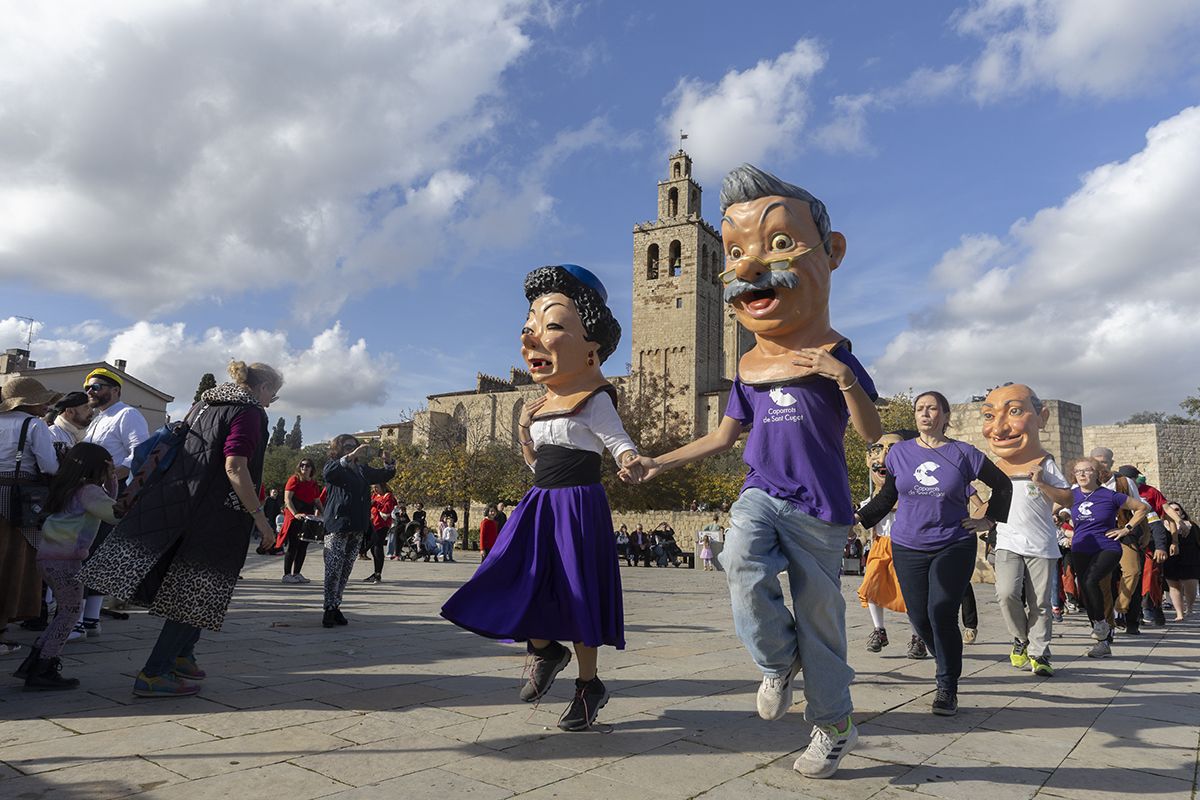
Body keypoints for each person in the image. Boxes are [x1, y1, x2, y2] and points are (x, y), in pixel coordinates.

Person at [624, 165, 882, 778]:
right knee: (739, 559)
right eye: (734, 251)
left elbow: (871, 435)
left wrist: (844, 379)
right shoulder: (746, 370)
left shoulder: (836, 360)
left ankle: (833, 724)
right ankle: (775, 661)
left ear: (830, 253)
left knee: (822, 628)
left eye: (778, 244)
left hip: (821, 509)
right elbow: (721, 436)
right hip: (761, 491)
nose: (745, 268)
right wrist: (657, 462)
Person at [442, 263, 643, 733]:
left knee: (578, 592)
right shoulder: (541, 404)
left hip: (577, 505)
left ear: (592, 348)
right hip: (540, 501)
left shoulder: (595, 399)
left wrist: (631, 459)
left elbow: (617, 441)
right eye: (529, 327)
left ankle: (588, 686)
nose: (532, 337)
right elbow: (536, 465)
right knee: (517, 574)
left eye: (551, 325)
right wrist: (523, 432)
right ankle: (545, 649)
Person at [81, 361, 281, 697]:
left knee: (195, 588)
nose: (273, 400)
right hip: (215, 515)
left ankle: (182, 655)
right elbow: (234, 465)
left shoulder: (204, 404)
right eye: (273, 393)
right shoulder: (249, 412)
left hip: (174, 503)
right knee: (196, 591)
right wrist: (261, 519)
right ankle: (155, 672)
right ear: (261, 388)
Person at [858, 391, 1012, 717]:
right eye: (919, 409)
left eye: (931, 408)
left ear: (945, 415)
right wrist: (857, 520)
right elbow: (887, 497)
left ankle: (947, 686)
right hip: (907, 544)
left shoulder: (964, 453)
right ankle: (945, 658)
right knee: (919, 616)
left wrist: (987, 518)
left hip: (953, 542)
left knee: (941, 610)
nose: (924, 413)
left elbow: (1003, 486)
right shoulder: (899, 453)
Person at [980, 383, 1072, 677]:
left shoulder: (1046, 463)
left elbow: (1068, 498)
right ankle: (1020, 638)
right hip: (1007, 541)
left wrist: (1042, 482)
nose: (1000, 426)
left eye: (1015, 412)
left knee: (1041, 603)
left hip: (1042, 544)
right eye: (988, 415)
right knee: (1006, 594)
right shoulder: (996, 466)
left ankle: (1040, 652)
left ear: (1041, 417)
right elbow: (990, 505)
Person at [15, 442, 117, 690]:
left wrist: (110, 482)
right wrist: (114, 479)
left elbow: (107, 507)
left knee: (64, 613)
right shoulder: (90, 491)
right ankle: (43, 668)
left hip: (49, 558)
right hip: (67, 562)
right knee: (70, 614)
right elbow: (114, 514)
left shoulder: (69, 488)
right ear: (99, 467)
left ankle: (35, 662)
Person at [79, 367, 149, 639]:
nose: (90, 392)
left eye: (96, 387)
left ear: (115, 390)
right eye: (88, 388)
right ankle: (86, 618)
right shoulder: (97, 419)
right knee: (86, 553)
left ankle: (88, 619)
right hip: (89, 494)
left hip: (110, 494)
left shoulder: (127, 414)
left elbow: (141, 452)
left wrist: (113, 475)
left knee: (94, 554)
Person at [0, 377, 61, 656]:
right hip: (18, 501)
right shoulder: (34, 425)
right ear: (31, 402)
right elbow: (49, 465)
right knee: (14, 563)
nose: (47, 405)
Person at [1067, 457, 1149, 658]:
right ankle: (1102, 635)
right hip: (1080, 547)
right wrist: (1058, 518)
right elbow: (1053, 511)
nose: (1083, 475)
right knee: (1086, 588)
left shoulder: (1110, 495)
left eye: (1087, 470)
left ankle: (1109, 621)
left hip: (1107, 546)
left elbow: (1142, 508)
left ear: (1097, 473)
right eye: (1078, 472)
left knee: (1091, 580)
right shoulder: (1071, 495)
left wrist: (1126, 529)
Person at [857, 430, 926, 659]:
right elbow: (872, 513)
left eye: (893, 449)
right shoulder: (874, 497)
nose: (883, 457)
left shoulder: (912, 489)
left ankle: (918, 636)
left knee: (910, 594)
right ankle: (879, 630)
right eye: (878, 449)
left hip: (905, 545)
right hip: (880, 545)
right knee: (870, 587)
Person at [321, 436, 396, 625]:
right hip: (338, 524)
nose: (352, 450)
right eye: (347, 447)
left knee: (345, 568)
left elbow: (383, 476)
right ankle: (329, 608)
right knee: (333, 568)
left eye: (354, 446)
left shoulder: (362, 470)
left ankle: (336, 605)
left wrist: (388, 462)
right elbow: (328, 474)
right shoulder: (334, 465)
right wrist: (349, 457)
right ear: (338, 449)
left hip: (357, 525)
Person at [1088, 447, 1150, 635]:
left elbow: (1139, 507)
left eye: (1105, 461)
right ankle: (1107, 625)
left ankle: (1120, 609)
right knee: (1102, 582)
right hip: (1098, 537)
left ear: (1112, 463)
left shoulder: (1124, 482)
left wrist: (1143, 531)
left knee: (1133, 571)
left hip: (1122, 532)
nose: (1101, 465)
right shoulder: (1085, 483)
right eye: (1097, 461)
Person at [280, 458, 322, 584]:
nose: (304, 467)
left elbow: (317, 500)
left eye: (307, 465)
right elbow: (287, 499)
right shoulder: (294, 479)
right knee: (293, 546)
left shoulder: (313, 483)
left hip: (308, 518)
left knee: (303, 547)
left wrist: (324, 514)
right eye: (302, 465)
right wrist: (295, 514)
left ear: (312, 468)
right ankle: (287, 575)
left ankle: (297, 573)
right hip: (295, 517)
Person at [1163, 502, 1198, 620]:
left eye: (1177, 509)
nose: (1175, 512)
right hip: (1171, 560)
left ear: (1182, 512)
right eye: (1172, 510)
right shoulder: (1163, 526)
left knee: (1190, 586)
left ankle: (1190, 608)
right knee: (1174, 587)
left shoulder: (1192, 526)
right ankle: (1179, 613)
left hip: (1189, 559)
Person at [364, 484, 397, 583]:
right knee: (373, 549)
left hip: (382, 525)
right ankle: (376, 572)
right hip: (373, 523)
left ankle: (378, 574)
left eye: (377, 487)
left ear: (383, 487)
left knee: (378, 546)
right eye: (373, 488)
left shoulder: (388, 496)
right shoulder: (374, 495)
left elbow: (386, 511)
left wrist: (376, 504)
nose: (375, 489)